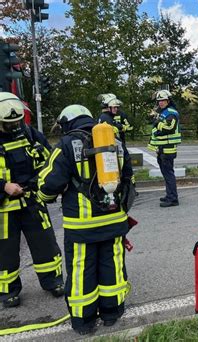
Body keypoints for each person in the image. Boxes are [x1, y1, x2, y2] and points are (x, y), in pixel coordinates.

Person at [37, 105, 134, 335]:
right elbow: (128, 177)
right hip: (113, 221)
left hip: (81, 227)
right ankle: (112, 313)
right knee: (112, 267)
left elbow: (48, 184)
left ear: (67, 123)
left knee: (82, 272)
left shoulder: (66, 145)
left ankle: (84, 322)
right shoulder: (116, 141)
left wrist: (43, 195)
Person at [0, 92, 64, 308]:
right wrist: (4, 187)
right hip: (4, 207)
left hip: (31, 199)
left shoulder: (30, 134)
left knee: (45, 243)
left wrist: (39, 181)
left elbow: (50, 160)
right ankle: (8, 290)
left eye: (17, 121)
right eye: (9, 123)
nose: (15, 125)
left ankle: (53, 281)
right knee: (5, 250)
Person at [148, 90, 182, 207]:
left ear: (168, 100)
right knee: (166, 174)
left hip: (168, 149)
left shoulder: (171, 112)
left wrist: (158, 124)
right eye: (159, 101)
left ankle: (173, 199)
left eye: (163, 100)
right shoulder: (163, 112)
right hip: (162, 147)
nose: (160, 103)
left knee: (168, 174)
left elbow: (170, 127)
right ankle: (169, 195)